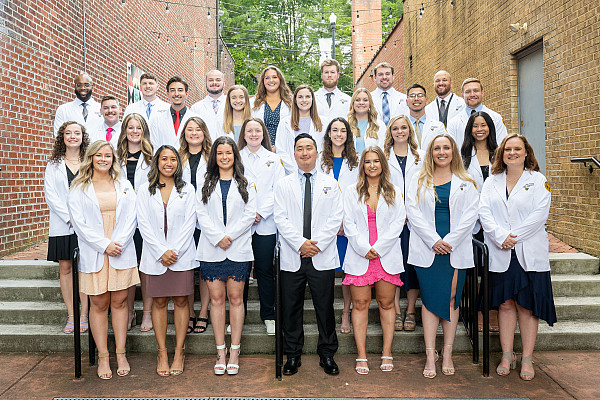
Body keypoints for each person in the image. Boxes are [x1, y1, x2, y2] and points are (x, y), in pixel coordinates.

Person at [479, 134, 556, 381]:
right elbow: (484, 212)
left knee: (527, 305)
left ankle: (527, 358)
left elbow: (539, 214)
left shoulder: (538, 181)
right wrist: (501, 236)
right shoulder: (491, 181)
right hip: (501, 251)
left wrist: (513, 236)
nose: (512, 153)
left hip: (528, 251)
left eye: (517, 149)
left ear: (526, 153)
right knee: (505, 303)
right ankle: (507, 354)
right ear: (501, 154)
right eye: (508, 149)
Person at [405, 134, 479, 378]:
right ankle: (430, 354)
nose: (442, 152)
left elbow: (470, 216)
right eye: (437, 148)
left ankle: (447, 352)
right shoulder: (418, 178)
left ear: (453, 151)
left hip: (454, 247)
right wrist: (434, 240)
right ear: (431, 152)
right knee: (428, 300)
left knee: (450, 298)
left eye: (446, 147)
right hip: (428, 247)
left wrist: (448, 241)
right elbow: (412, 211)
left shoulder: (466, 181)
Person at [68, 140, 139, 379]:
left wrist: (117, 243)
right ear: (91, 158)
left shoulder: (124, 184)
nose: (103, 159)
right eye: (98, 155)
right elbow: (79, 224)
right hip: (95, 251)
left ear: (113, 159)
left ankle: (120, 353)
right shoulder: (79, 187)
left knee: (120, 302)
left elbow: (132, 217)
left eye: (107, 155)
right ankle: (103, 357)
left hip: (121, 248)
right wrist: (104, 245)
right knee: (98, 304)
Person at [274, 133, 343, 376]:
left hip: (321, 257)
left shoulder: (330, 183)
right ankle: (293, 355)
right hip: (293, 256)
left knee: (324, 307)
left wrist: (318, 245)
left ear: (316, 152)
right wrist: (301, 244)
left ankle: (327, 354)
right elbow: (280, 218)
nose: (304, 152)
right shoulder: (283, 184)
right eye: (300, 148)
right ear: (294, 154)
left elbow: (336, 217)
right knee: (291, 308)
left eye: (309, 148)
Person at [196, 136, 256, 375]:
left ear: (235, 156)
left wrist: (228, 235)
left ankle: (234, 350)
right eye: (220, 153)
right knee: (217, 299)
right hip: (212, 249)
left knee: (236, 298)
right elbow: (200, 213)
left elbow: (250, 213)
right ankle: (220, 350)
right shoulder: (205, 181)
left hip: (238, 248)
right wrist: (217, 237)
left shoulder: (246, 182)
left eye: (228, 153)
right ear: (214, 157)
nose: (224, 157)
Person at [343, 146, 405, 374]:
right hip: (361, 255)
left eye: (376, 161)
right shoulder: (351, 191)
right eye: (367, 162)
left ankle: (387, 352)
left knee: (387, 304)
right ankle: (361, 355)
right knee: (360, 305)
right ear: (362, 166)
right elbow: (348, 223)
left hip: (385, 255)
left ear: (382, 165)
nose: (372, 165)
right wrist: (364, 248)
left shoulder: (394, 191)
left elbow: (399, 222)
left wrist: (378, 248)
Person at [136, 145, 197, 377]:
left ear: (178, 164)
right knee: (159, 303)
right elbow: (143, 223)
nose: (168, 163)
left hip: (180, 256)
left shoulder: (187, 189)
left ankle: (179, 351)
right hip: (155, 257)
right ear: (157, 163)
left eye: (173, 159)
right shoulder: (145, 190)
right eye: (164, 159)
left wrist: (174, 251)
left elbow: (189, 223)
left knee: (182, 301)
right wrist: (161, 251)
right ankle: (162, 351)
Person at [238, 118, 285, 335]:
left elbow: (279, 190)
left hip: (265, 223)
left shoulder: (274, 160)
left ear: (263, 133)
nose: (254, 134)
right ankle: (240, 316)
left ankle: (269, 315)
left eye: (258, 130)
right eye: (250, 130)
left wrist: (260, 213)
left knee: (265, 270)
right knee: (241, 271)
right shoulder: (236, 157)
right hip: (241, 224)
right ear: (244, 134)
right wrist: (248, 214)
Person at [45, 121, 90, 334]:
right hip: (63, 225)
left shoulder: (90, 161)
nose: (73, 136)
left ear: (83, 136)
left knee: (85, 268)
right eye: (68, 133)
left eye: (77, 133)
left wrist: (82, 219)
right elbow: (51, 195)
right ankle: (71, 315)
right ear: (62, 137)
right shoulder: (53, 164)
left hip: (87, 225)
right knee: (66, 268)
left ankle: (85, 316)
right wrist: (70, 218)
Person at [382, 115, 424, 332]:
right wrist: (400, 211)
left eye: (404, 128)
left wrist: (412, 211)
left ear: (410, 130)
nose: (400, 132)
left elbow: (425, 186)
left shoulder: (421, 156)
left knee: (412, 265)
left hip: (416, 220)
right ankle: (396, 310)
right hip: (391, 218)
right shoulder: (384, 156)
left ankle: (410, 310)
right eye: (395, 128)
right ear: (390, 132)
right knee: (394, 265)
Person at [317, 117, 359, 335]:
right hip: (325, 223)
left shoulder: (356, 161)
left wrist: (344, 221)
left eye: (343, 130)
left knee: (347, 271)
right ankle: (326, 313)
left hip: (348, 223)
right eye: (335, 130)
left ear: (348, 135)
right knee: (326, 270)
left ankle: (346, 311)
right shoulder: (320, 160)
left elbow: (357, 194)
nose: (339, 134)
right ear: (329, 134)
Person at [116, 113, 154, 332]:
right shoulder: (114, 154)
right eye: (130, 127)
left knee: (146, 267)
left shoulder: (151, 155)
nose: (134, 131)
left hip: (145, 218)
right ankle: (130, 312)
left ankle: (147, 314)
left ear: (144, 130)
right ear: (125, 130)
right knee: (129, 267)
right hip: (122, 220)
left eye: (138, 128)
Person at [179, 117, 213, 334]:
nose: (193, 133)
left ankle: (203, 311)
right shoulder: (177, 156)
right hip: (182, 219)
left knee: (205, 268)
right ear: (184, 134)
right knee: (187, 267)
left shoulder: (212, 156)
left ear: (204, 132)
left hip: (206, 219)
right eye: (189, 129)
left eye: (198, 129)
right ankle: (190, 311)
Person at [276, 84, 325, 174]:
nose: (304, 100)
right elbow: (280, 150)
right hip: (291, 173)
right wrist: (295, 170)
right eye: (300, 97)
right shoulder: (284, 123)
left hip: (318, 171)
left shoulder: (324, 122)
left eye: (307, 97)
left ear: (312, 99)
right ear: (295, 100)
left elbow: (325, 149)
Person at [446, 78, 508, 150]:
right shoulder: (453, 123)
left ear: (482, 93)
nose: (472, 94)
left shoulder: (496, 118)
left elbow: (501, 146)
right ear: (462, 96)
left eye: (476, 91)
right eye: (468, 92)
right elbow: (451, 149)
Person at [149, 76, 199, 149]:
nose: (176, 94)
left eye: (180, 90)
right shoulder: (157, 120)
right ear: (167, 94)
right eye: (172, 90)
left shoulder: (197, 119)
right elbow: (153, 147)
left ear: (187, 94)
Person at [250, 66, 292, 146]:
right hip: (260, 148)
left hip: (285, 148)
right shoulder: (253, 103)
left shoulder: (291, 102)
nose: (271, 80)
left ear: (280, 80)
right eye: (267, 78)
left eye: (274, 77)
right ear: (263, 81)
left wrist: (278, 148)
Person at [405, 84, 446, 150]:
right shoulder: (401, 128)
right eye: (412, 96)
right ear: (407, 102)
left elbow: (445, 147)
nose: (416, 99)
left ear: (426, 101)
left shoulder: (438, 126)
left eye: (420, 95)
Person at [370, 62, 409, 126]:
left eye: (387, 74)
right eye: (380, 74)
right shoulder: (368, 99)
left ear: (393, 76)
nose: (384, 77)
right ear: (375, 78)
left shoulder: (404, 99)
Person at [347, 88, 386, 153]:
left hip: (372, 162)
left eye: (365, 100)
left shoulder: (380, 125)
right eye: (357, 100)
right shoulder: (346, 125)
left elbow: (383, 150)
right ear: (353, 103)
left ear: (370, 103)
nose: (361, 103)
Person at [191, 70, 226, 137]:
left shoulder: (232, 105)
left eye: (218, 80)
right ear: (206, 83)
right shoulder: (196, 108)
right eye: (210, 80)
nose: (214, 83)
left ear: (224, 83)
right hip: (205, 146)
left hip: (228, 146)